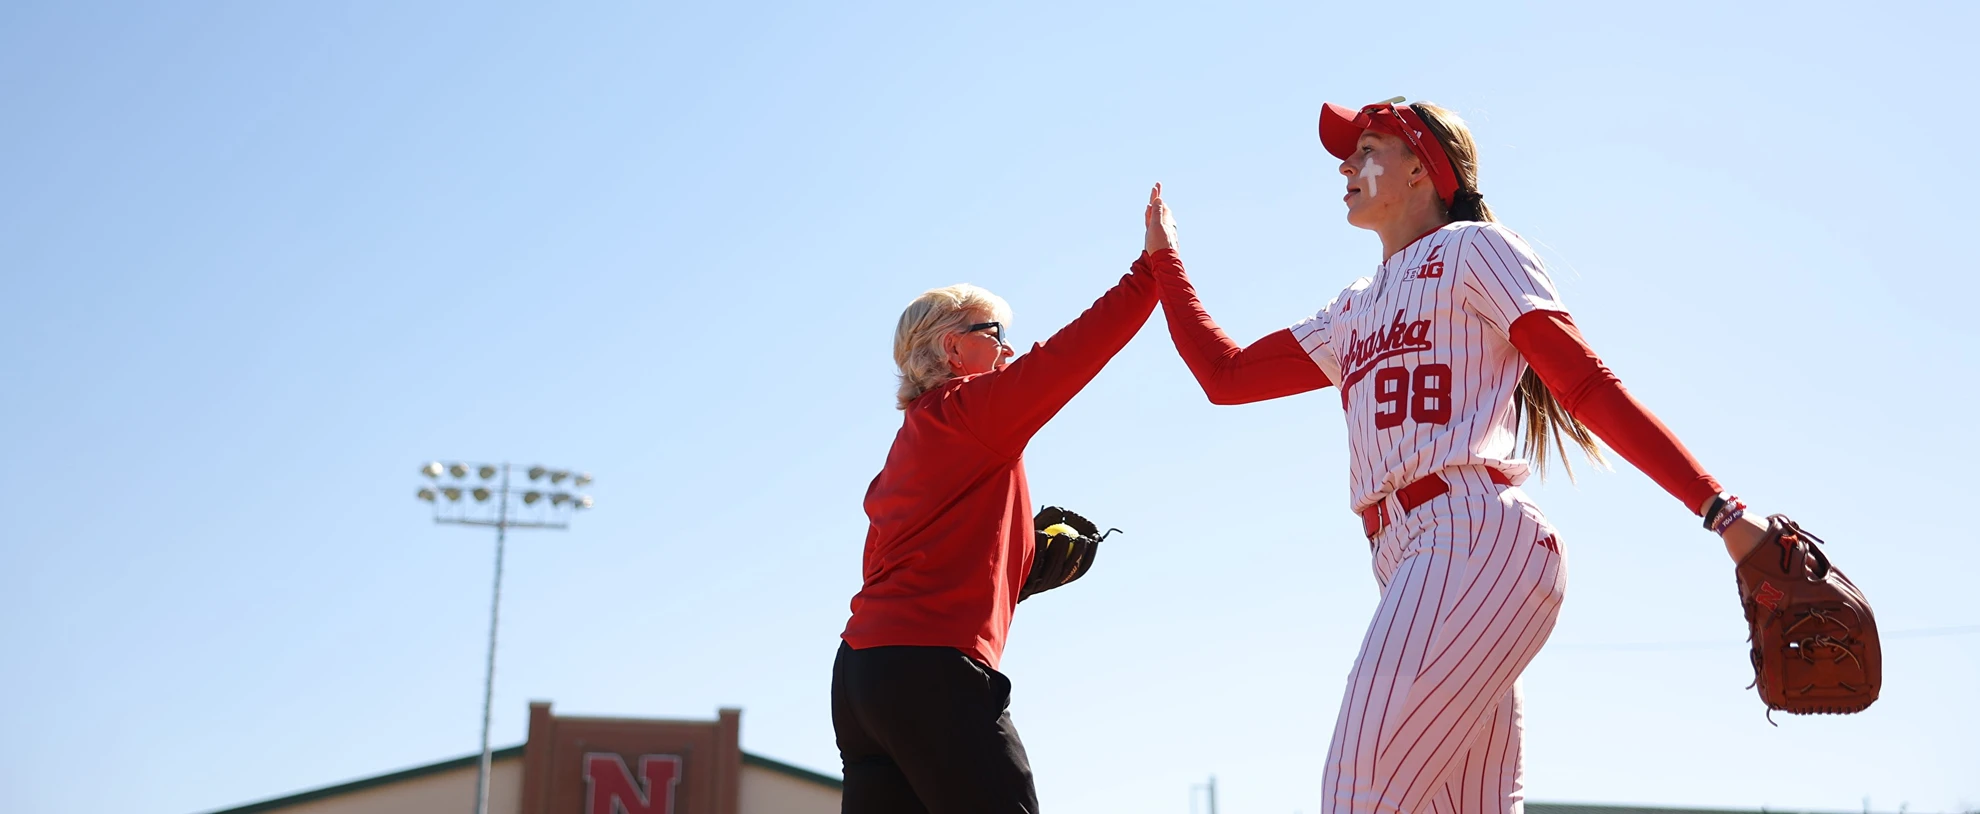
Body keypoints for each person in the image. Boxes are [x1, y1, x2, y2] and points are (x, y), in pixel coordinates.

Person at [1138, 100, 1771, 813]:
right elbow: (1224, 376)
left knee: (1357, 793)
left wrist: (1720, 510)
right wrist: (1166, 262)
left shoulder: (1475, 250)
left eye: (1368, 148)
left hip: (1470, 536)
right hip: (1411, 558)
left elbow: (1585, 384)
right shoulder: (1351, 309)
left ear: (1421, 168)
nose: (1346, 166)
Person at [833, 249, 1158, 813]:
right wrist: (1150, 271)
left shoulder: (910, 443)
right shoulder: (970, 411)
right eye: (995, 333)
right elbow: (1071, 354)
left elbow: (902, 567)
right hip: (931, 670)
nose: (1009, 348)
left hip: (860, 679)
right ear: (952, 349)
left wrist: (1016, 569)